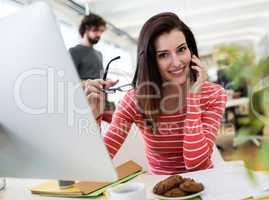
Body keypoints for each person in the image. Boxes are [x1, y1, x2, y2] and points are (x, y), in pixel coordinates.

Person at [84, 12, 227, 175]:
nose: (177, 62)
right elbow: (99, 163)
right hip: (160, 191)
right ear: (151, 61)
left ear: (191, 50)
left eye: (181, 49)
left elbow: (196, 165)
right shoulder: (134, 101)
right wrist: (93, 118)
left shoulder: (214, 94)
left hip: (205, 186)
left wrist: (194, 97)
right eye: (163, 55)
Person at [69, 13, 106, 80]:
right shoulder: (74, 52)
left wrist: (105, 83)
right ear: (86, 28)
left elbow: (101, 78)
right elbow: (70, 79)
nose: (99, 34)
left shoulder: (99, 54)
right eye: (95, 30)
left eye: (101, 31)